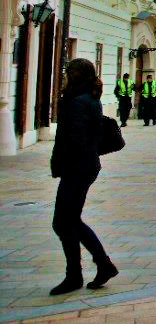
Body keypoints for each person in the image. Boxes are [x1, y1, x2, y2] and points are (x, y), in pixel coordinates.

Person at [49, 58, 118, 295]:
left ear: (78, 75)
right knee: (68, 221)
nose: (67, 75)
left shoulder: (78, 101)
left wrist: (63, 163)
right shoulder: (87, 97)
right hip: (83, 166)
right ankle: (95, 267)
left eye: (70, 72)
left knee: (64, 221)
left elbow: (76, 140)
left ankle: (81, 272)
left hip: (78, 167)